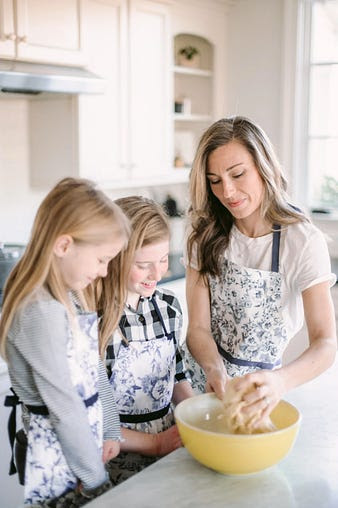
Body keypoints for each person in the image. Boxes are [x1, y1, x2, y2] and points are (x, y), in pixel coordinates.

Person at [185, 116, 337, 421]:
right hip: (197, 386)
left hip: (261, 396)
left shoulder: (302, 242)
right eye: (215, 180)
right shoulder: (207, 233)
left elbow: (325, 343)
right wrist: (214, 369)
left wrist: (280, 381)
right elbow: (198, 328)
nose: (227, 192)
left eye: (237, 174)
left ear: (264, 166)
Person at [0, 177, 130, 506]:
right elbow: (64, 406)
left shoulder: (67, 295)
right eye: (102, 259)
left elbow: (91, 365)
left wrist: (110, 428)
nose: (104, 272)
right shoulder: (39, 311)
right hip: (57, 457)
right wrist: (96, 481)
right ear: (63, 246)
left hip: (82, 448)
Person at [97, 196, 194, 485]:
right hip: (114, 460)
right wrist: (154, 443)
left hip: (167, 455)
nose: (157, 273)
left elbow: (175, 371)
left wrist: (197, 416)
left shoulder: (168, 306)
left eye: (163, 259)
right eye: (143, 264)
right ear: (114, 258)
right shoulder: (96, 319)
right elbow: (91, 415)